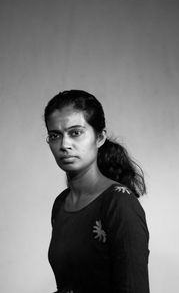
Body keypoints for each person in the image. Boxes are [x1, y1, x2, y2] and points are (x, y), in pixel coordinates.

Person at [44, 90, 150, 293]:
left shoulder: (118, 202)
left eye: (75, 132)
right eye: (55, 135)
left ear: (100, 137)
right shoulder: (61, 203)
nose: (64, 145)